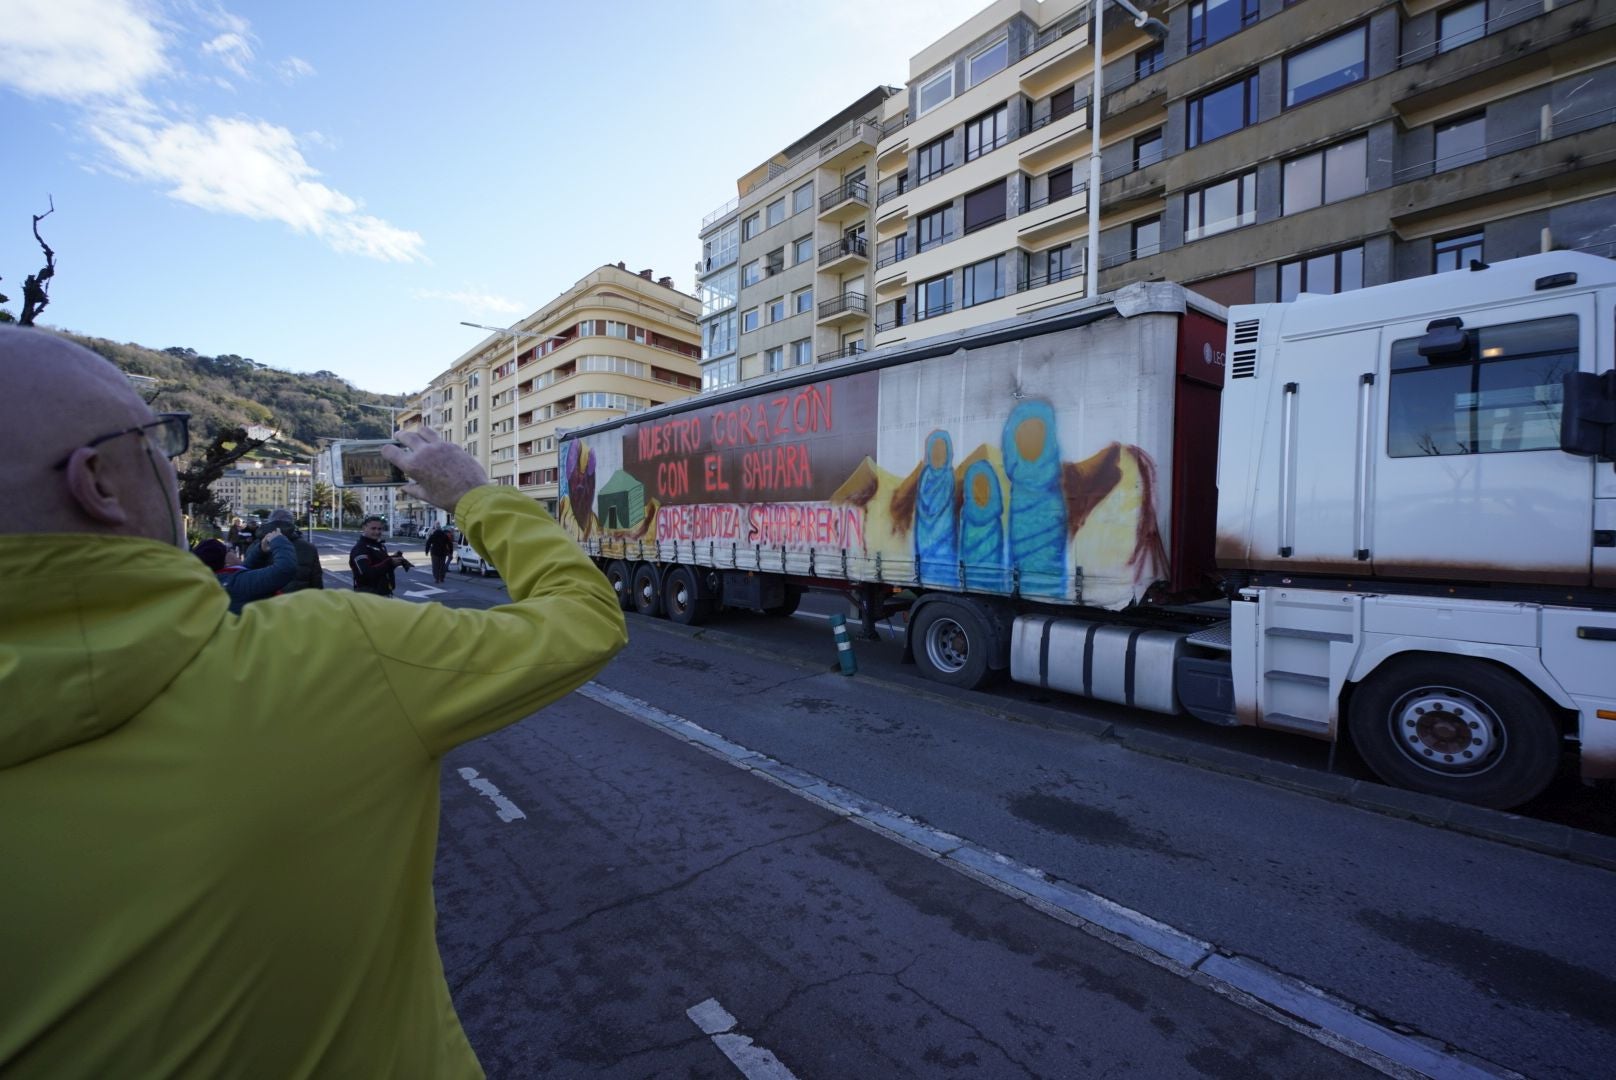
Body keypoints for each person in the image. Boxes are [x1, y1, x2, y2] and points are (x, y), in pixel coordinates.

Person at [0, 327, 628, 1078]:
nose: (173, 470)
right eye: (155, 445)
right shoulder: (330, 655)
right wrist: (472, 494)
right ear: (97, 482)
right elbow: (584, 618)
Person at [192, 531, 298, 614]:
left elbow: (241, 570)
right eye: (229, 550)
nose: (233, 552)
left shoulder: (219, 580)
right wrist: (279, 540)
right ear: (225, 562)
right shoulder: (235, 583)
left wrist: (260, 550)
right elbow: (284, 569)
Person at [247, 507, 324, 592]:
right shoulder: (308, 548)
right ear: (292, 524)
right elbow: (316, 584)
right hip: (297, 602)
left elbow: (245, 578)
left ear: (270, 521)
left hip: (262, 603)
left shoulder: (255, 547)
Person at [348, 515, 409, 596]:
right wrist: (389, 562)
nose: (377, 532)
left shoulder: (379, 546)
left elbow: (382, 566)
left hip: (383, 593)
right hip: (368, 597)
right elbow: (366, 574)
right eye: (373, 528)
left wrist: (394, 560)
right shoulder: (360, 548)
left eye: (379, 529)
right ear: (364, 528)